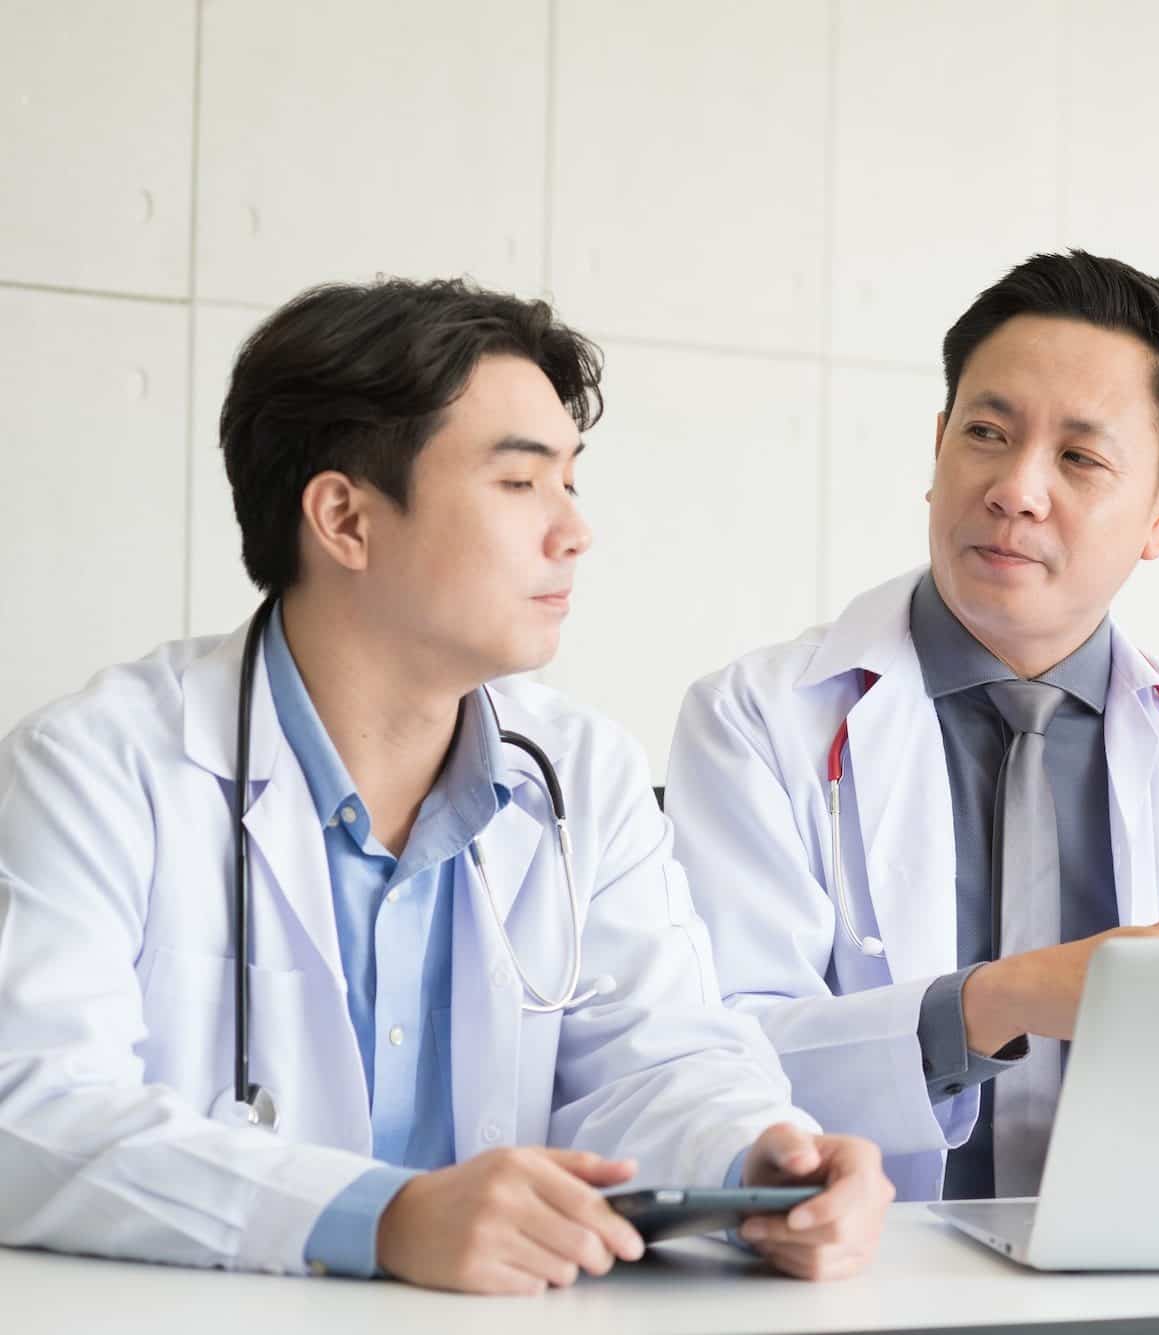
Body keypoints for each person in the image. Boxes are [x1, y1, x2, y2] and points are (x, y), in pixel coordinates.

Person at [0, 278, 893, 1291]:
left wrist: (760, 1163)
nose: (573, 532)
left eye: (571, 481)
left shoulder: (580, 775)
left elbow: (663, 1062)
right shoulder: (100, 766)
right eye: (519, 485)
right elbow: (31, 1115)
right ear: (343, 517)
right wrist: (381, 1219)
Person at [664, 251, 1159, 1204]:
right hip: (859, 1275)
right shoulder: (757, 718)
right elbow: (714, 1057)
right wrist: (1001, 1002)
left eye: (1079, 458)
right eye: (986, 432)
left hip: (1144, 1279)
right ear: (937, 450)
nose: (1015, 487)